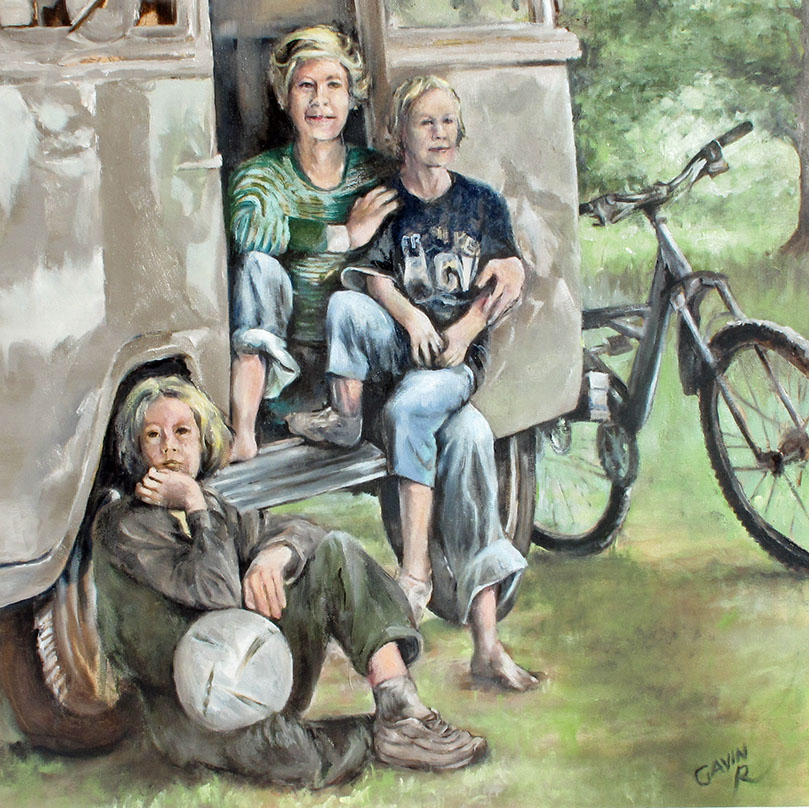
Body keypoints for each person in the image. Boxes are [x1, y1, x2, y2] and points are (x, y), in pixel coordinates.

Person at [91, 375, 487, 789]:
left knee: (336, 552)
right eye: (153, 435)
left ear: (203, 440)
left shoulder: (213, 507)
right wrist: (193, 503)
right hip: (192, 708)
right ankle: (376, 737)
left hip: (259, 672)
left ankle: (400, 710)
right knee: (301, 758)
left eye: (182, 432)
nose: (169, 447)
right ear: (137, 448)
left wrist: (276, 553)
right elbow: (217, 594)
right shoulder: (126, 526)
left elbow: (300, 531)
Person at [287, 76, 526, 628]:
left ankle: (415, 572)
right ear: (401, 134)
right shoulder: (389, 200)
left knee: (409, 409)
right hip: (404, 341)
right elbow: (374, 277)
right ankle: (345, 418)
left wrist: (465, 331)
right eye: (426, 123)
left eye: (448, 122)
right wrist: (411, 316)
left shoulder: (481, 202)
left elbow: (504, 279)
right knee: (346, 306)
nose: (440, 133)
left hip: (453, 358)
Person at [227, 24, 521, 461]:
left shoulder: (378, 174)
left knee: (464, 428)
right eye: (306, 86)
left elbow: (434, 207)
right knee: (257, 266)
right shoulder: (261, 175)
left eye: (333, 85)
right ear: (285, 97)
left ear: (352, 96)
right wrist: (343, 235)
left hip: (365, 352)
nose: (320, 101)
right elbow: (248, 231)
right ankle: (244, 433)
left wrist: (509, 261)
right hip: (284, 358)